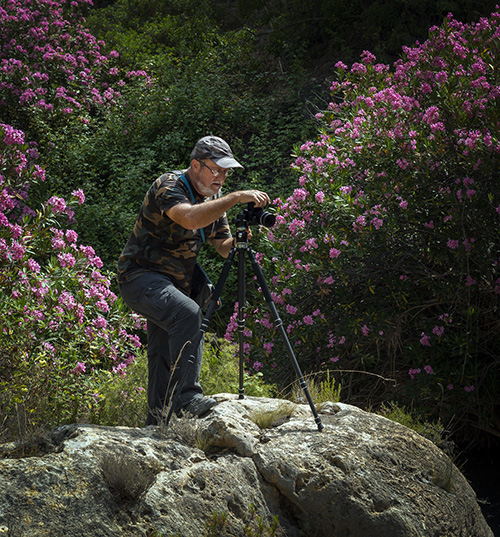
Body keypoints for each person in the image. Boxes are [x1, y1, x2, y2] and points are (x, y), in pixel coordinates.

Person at [117, 135, 270, 425]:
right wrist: (235, 197)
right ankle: (187, 398)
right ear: (195, 165)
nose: (221, 178)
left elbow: (223, 247)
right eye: (216, 170)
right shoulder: (169, 185)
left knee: (163, 352)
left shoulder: (213, 201)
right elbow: (188, 218)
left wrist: (238, 240)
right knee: (188, 313)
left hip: (173, 284)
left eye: (226, 173)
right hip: (139, 277)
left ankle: (157, 422)